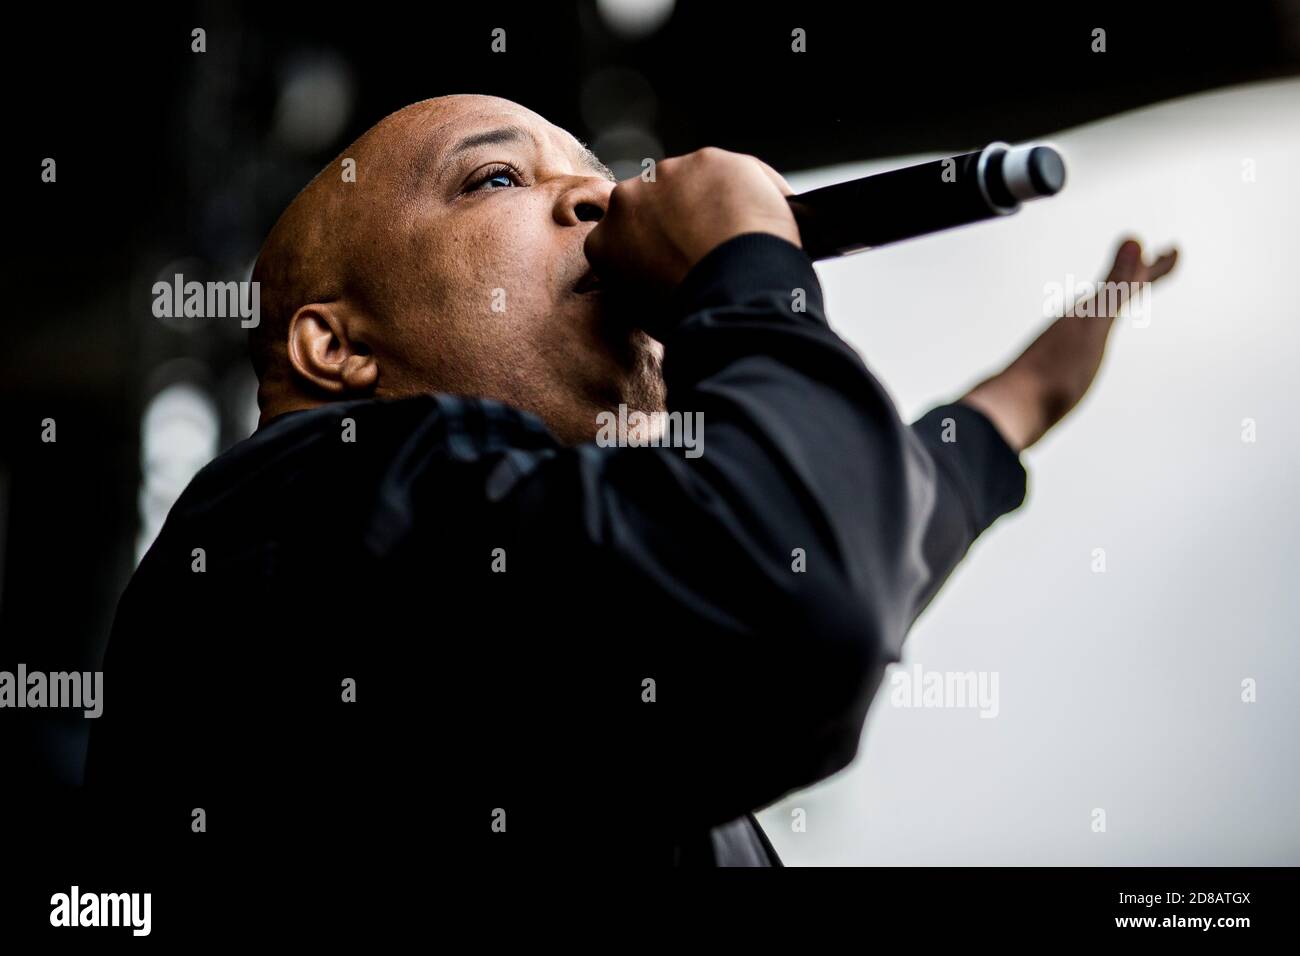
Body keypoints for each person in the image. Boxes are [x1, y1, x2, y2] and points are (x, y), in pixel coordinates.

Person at [86, 94, 1177, 866]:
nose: (602, 207)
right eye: (499, 177)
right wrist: (744, 270)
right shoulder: (295, 511)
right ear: (335, 347)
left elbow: (813, 541)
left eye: (598, 179)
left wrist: (1011, 407)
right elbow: (790, 594)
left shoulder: (491, 555)